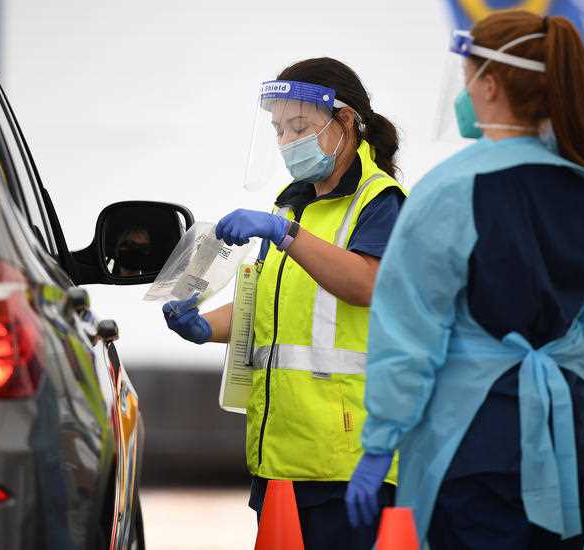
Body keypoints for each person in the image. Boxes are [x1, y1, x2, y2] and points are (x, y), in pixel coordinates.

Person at [345, 11, 584, 550]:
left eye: (468, 78)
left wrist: (380, 441)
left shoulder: (449, 191)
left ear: (493, 84)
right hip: (568, 436)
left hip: (473, 438)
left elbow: (409, 333)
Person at [162, 58, 407, 549]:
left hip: (345, 461)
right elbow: (270, 308)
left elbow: (366, 284)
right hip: (279, 456)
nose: (286, 141)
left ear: (344, 123)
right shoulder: (289, 203)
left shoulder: (380, 202)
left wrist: (286, 234)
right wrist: (205, 326)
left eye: (299, 127)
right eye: (278, 129)